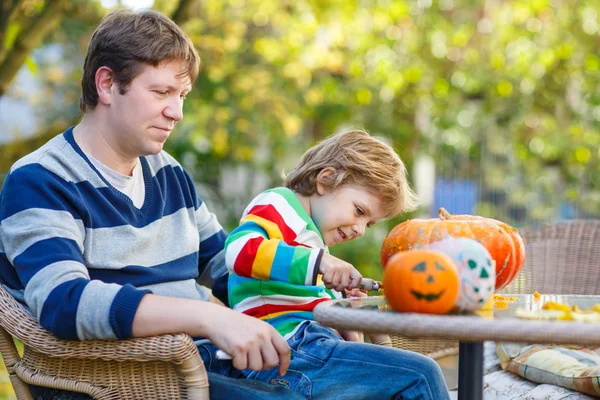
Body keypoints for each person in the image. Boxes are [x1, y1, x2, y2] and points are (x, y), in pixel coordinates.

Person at [0, 9, 305, 400]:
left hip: (201, 365)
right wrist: (208, 316)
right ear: (108, 85)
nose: (176, 112)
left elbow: (228, 267)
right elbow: (64, 302)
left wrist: (314, 297)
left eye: (182, 97)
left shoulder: (167, 172)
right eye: (161, 93)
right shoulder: (39, 180)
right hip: (111, 384)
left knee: (397, 377)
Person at [224, 129, 452, 399]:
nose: (360, 229)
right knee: (422, 374)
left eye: (369, 223)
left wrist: (345, 310)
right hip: (284, 353)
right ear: (326, 180)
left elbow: (333, 328)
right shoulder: (279, 204)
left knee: (403, 376)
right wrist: (320, 262)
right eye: (359, 211)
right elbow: (238, 251)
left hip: (310, 352)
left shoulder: (314, 241)